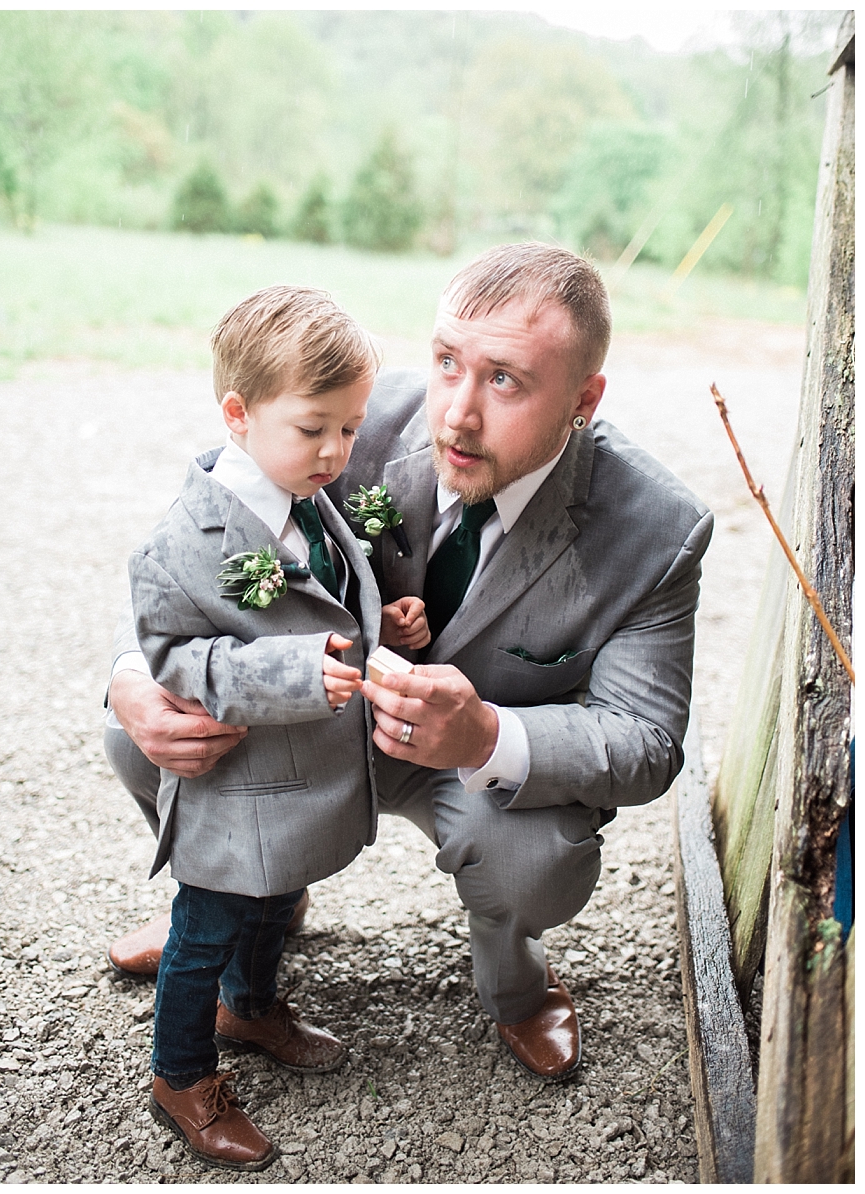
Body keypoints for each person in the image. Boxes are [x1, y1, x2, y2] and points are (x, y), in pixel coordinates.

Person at [106, 241, 713, 1092]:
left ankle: (516, 984)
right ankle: (246, 906)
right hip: (310, 720)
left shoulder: (655, 529)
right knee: (133, 738)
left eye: (504, 380)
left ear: (584, 400)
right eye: (446, 363)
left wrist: (485, 733)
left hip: (466, 767)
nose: (455, 415)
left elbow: (647, 742)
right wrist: (133, 678)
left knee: (535, 866)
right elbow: (193, 561)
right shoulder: (348, 417)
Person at [118, 285, 430, 1172]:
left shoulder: (310, 493)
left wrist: (388, 627)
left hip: (300, 777)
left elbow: (334, 592)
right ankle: (181, 1073)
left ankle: (251, 1005)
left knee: (269, 903)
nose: (338, 451)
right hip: (239, 781)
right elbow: (174, 656)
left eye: (352, 427)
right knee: (207, 925)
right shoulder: (182, 542)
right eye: (315, 428)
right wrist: (294, 671)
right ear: (237, 414)